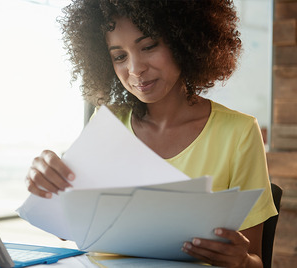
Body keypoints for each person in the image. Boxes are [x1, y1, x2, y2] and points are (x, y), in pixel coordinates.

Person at [26, 0, 278, 267]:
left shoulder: (238, 133)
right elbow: (69, 229)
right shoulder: (108, 122)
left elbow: (256, 261)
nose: (135, 69)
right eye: (119, 56)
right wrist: (47, 184)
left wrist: (241, 261)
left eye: (148, 47)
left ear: (184, 40)